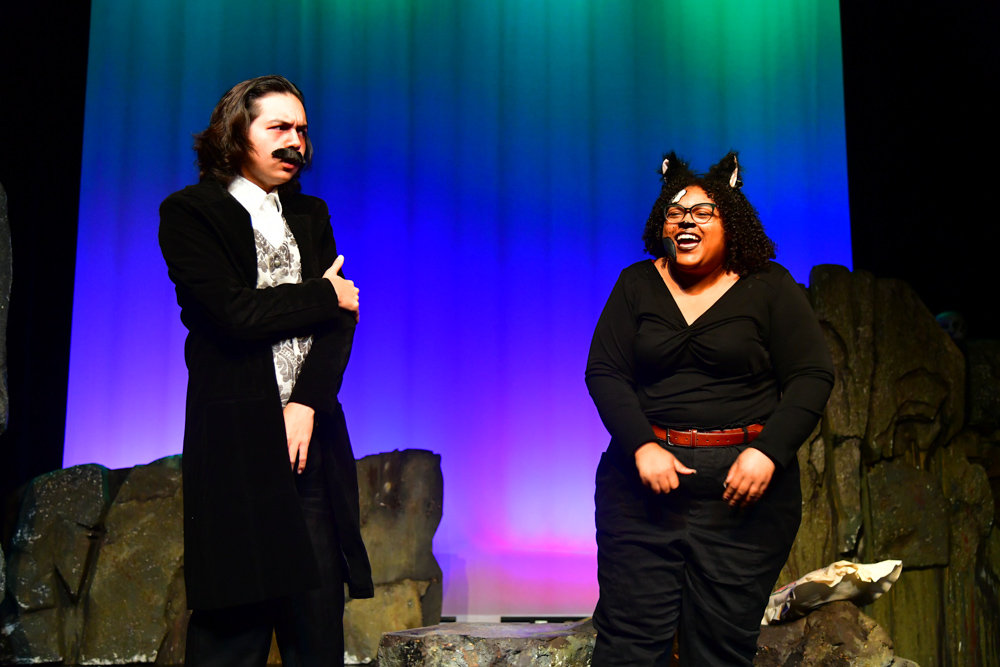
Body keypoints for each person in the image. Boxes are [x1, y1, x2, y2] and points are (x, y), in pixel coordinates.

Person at [585, 152, 834, 666]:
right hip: (643, 493)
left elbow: (812, 375)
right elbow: (605, 371)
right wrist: (643, 445)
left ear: (731, 223)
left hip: (742, 495)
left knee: (720, 650)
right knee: (629, 646)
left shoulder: (769, 286)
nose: (686, 222)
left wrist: (768, 452)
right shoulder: (636, 284)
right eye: (676, 213)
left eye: (702, 213)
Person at [159, 75, 373, 667]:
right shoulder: (191, 212)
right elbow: (231, 313)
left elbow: (341, 325)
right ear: (236, 134)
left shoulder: (310, 213)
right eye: (279, 127)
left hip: (310, 441)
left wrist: (305, 404)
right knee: (234, 629)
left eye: (301, 129)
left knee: (317, 626)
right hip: (236, 444)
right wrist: (324, 295)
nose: (295, 141)